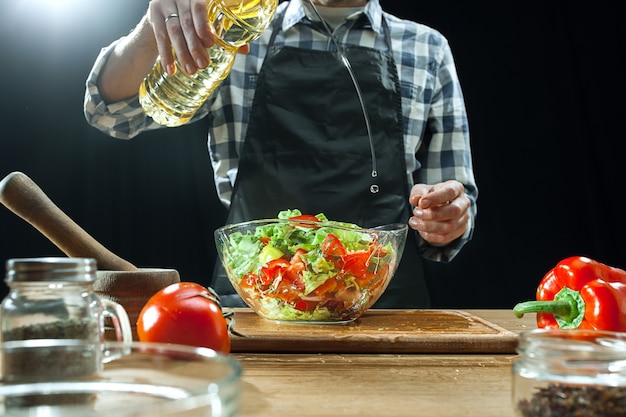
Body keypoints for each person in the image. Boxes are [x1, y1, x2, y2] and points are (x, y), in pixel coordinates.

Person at [84, 0, 478, 308]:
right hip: (255, 304)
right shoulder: (231, 31)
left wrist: (447, 216)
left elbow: (454, 211)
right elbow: (112, 115)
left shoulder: (428, 49)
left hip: (382, 309)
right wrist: (151, 32)